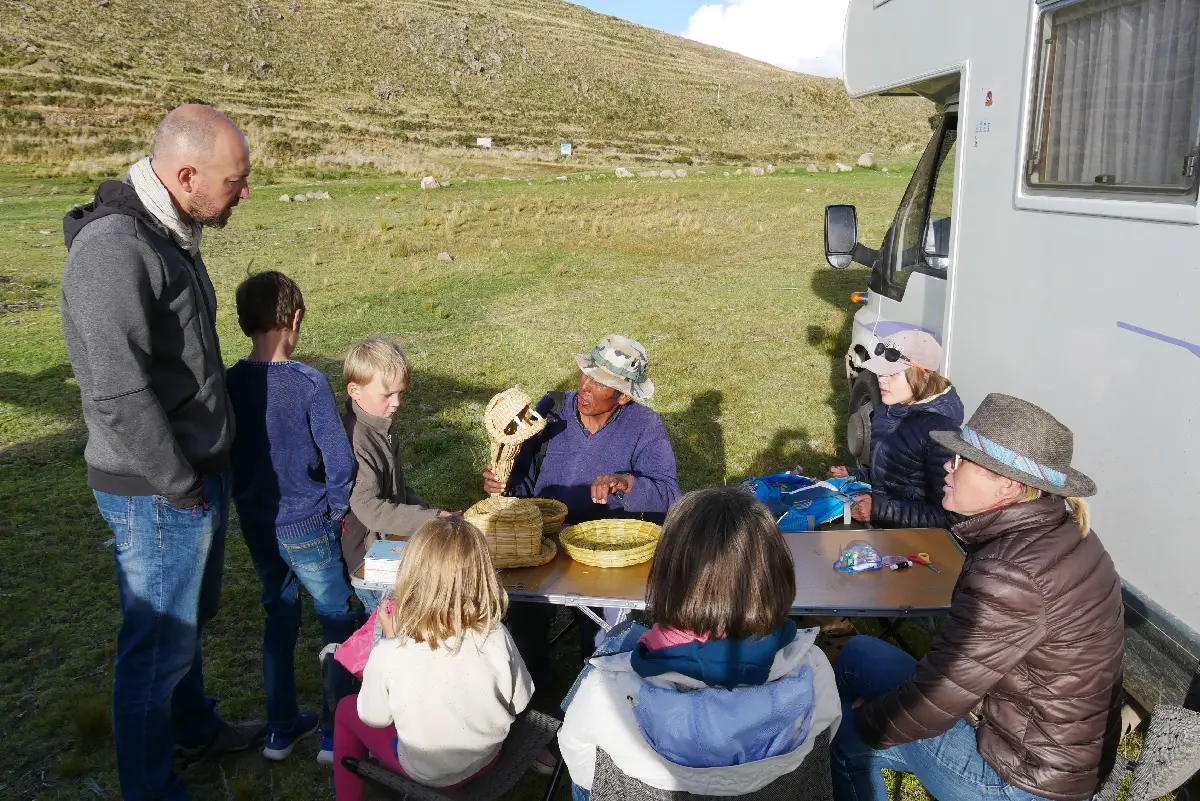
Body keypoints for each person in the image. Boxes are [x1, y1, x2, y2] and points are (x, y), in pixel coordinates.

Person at [60, 104, 262, 800]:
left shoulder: (171, 229)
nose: (243, 192)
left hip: (194, 476)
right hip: (155, 490)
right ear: (185, 174)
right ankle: (150, 787)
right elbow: (117, 391)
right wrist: (179, 482)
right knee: (156, 645)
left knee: (187, 620)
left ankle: (193, 726)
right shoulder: (115, 250)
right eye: (234, 181)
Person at [831, 393, 1125, 801]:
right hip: (1052, 745)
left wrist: (870, 722)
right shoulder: (1066, 533)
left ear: (1007, 484)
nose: (946, 468)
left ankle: (850, 750)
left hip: (1023, 778)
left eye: (961, 460)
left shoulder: (1009, 573)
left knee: (848, 738)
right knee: (857, 654)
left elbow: (939, 697)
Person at [558, 487, 841, 800]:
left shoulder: (606, 690)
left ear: (667, 576)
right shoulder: (813, 669)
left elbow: (583, 769)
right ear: (776, 577)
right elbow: (822, 740)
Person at [482, 335, 682, 685]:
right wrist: (505, 486)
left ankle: (600, 690)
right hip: (543, 541)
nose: (586, 387)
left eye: (601, 383)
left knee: (609, 627)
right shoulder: (551, 411)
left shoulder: (645, 426)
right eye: (586, 375)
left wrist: (627, 483)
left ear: (623, 396)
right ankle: (533, 683)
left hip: (607, 551)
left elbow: (668, 494)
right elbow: (524, 482)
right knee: (522, 610)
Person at [226, 271, 358, 766]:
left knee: (278, 618)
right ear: (295, 319)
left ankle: (280, 731)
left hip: (257, 523)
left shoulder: (230, 381)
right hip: (309, 523)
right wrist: (337, 509)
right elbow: (339, 461)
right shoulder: (308, 383)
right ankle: (332, 733)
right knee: (335, 618)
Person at [333, 517, 534, 801]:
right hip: (486, 758)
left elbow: (374, 718)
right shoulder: (495, 633)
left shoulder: (390, 653)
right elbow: (520, 700)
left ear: (410, 576)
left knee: (345, 709)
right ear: (482, 574)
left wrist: (391, 642)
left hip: (427, 773)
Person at [341, 335, 453, 613]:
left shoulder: (381, 424)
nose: (397, 402)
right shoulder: (357, 440)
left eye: (401, 393)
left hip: (387, 543)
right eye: (387, 394)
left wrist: (427, 512)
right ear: (355, 390)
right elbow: (368, 508)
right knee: (385, 626)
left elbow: (396, 486)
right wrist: (430, 519)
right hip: (368, 557)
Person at [829, 330, 963, 529]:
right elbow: (892, 477)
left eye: (892, 374)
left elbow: (950, 516)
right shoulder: (888, 409)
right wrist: (855, 474)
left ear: (924, 376)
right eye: (881, 372)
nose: (882, 379)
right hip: (881, 528)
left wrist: (880, 510)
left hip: (912, 544)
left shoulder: (941, 433)